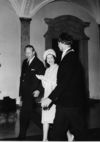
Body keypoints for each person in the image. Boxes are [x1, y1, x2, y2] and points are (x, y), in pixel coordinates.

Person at [41, 33, 87, 141]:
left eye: (58, 42)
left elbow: (64, 82)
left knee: (78, 132)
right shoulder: (70, 56)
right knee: (58, 132)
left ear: (61, 43)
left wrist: (49, 98)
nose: (58, 45)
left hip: (69, 104)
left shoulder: (69, 58)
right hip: (66, 103)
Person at [18, 44, 45, 140]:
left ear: (34, 52)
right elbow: (22, 79)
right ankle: (48, 130)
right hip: (25, 93)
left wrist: (39, 89)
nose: (27, 54)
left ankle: (21, 136)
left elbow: (43, 79)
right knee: (30, 114)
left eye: (29, 52)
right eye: (26, 52)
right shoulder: (24, 62)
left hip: (33, 92)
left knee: (24, 114)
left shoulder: (39, 63)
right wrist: (20, 95)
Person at [36, 49, 58, 141]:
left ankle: (69, 136)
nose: (49, 60)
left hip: (54, 97)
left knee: (58, 120)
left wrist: (44, 78)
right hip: (46, 96)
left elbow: (55, 84)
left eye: (51, 57)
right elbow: (45, 86)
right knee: (45, 119)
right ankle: (45, 139)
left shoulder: (58, 68)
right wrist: (42, 79)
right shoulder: (47, 70)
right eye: (47, 58)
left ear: (54, 58)